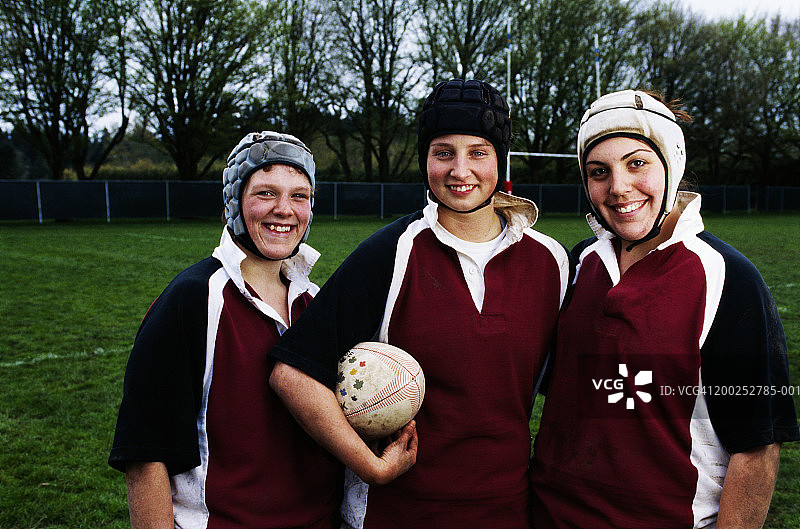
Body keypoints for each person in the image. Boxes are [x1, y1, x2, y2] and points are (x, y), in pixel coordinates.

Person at [268, 78, 573, 529]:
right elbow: (292, 373)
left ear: (500, 159)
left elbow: (568, 389)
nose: (460, 170)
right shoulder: (391, 250)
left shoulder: (552, 262)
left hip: (508, 509)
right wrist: (370, 466)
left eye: (479, 152)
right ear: (425, 159)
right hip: (398, 512)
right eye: (443, 152)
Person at [529, 89, 800, 528]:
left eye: (637, 163)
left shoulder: (727, 275)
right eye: (599, 171)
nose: (618, 188)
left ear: (671, 166)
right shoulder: (580, 264)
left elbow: (759, 446)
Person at [108, 131, 344, 528]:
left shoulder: (315, 303)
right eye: (266, 193)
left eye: (299, 195)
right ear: (232, 203)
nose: (284, 209)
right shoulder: (193, 298)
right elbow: (146, 455)